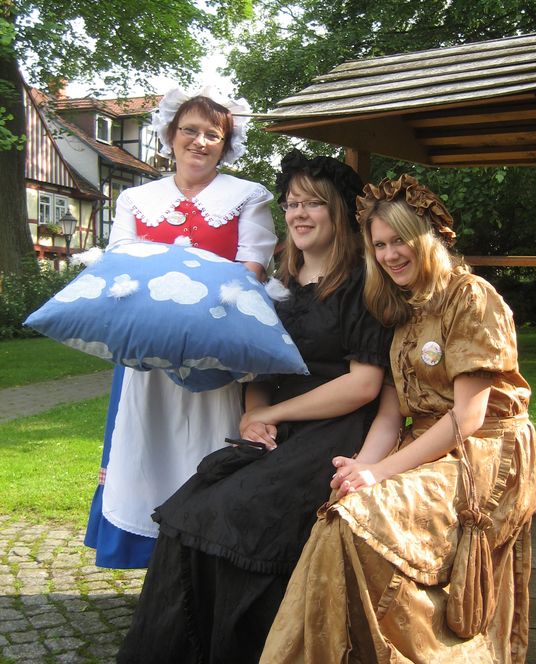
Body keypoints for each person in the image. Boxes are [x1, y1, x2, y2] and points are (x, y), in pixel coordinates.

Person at [116, 149, 393, 663]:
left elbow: (363, 385)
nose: (298, 214)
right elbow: (259, 369)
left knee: (239, 514)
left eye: (312, 203)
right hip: (279, 429)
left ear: (338, 211)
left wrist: (272, 414)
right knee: (191, 507)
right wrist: (252, 414)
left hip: (337, 430)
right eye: (291, 204)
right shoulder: (277, 286)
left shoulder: (362, 284)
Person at [261, 174, 536, 664]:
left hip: (485, 454)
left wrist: (381, 473)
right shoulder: (401, 309)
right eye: (379, 245)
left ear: (428, 239)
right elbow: (390, 416)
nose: (390, 255)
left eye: (400, 241)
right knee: (339, 509)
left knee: (359, 519)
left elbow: (468, 417)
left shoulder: (471, 297)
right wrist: (361, 468)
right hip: (428, 445)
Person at [84, 87, 277, 569]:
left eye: (213, 134)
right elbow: (121, 268)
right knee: (146, 444)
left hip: (215, 351)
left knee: (208, 444)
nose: (200, 141)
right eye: (190, 130)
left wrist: (200, 325)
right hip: (148, 355)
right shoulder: (137, 199)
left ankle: (202, 560)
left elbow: (251, 270)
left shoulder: (246, 196)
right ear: (170, 134)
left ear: (225, 145)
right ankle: (152, 560)